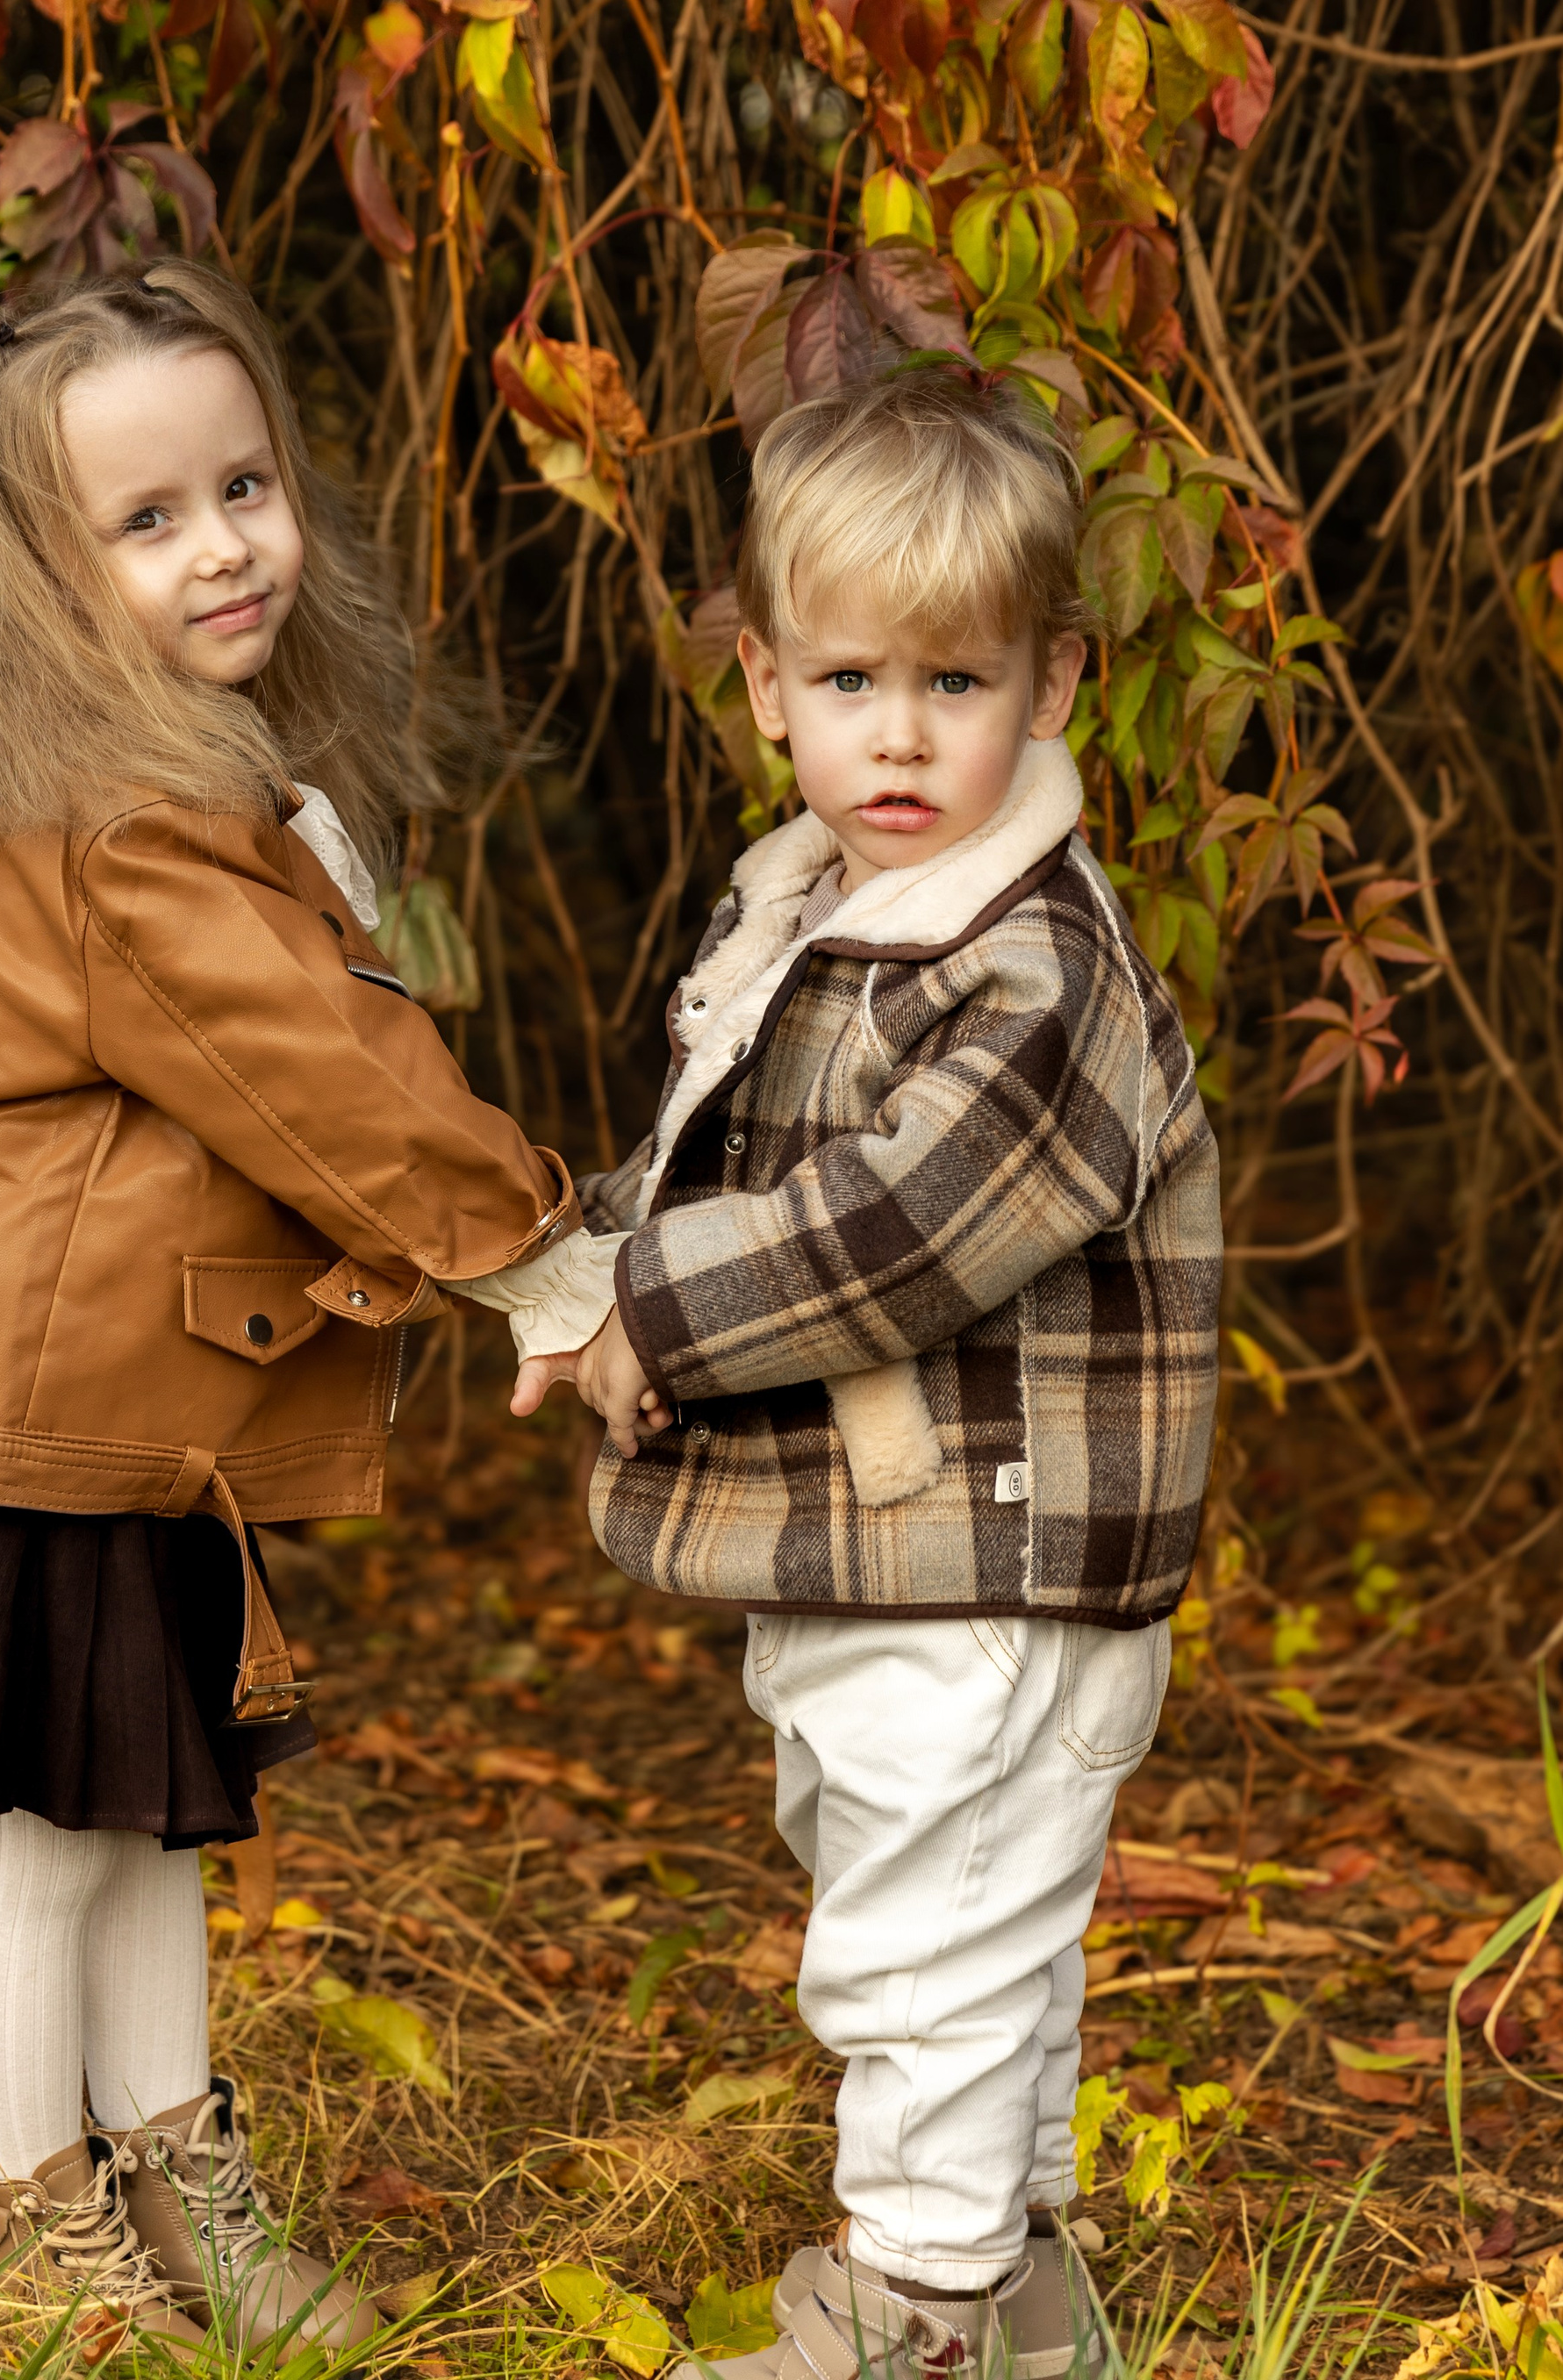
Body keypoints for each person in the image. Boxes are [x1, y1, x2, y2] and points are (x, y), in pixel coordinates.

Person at [0, 264, 580, 2360]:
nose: (221, 547)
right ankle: (31, 2228)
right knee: (40, 1838)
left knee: (151, 1808)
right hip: (21, 1413)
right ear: (39, 575)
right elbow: (325, 1080)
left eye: (244, 485)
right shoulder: (119, 827)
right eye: (147, 519)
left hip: (125, 1401)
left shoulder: (195, 775)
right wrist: (540, 1256)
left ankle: (169, 2153)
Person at [471, 364, 1221, 2377]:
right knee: (954, 1925)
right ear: (763, 689)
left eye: (954, 684)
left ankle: (924, 2312)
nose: (897, 733)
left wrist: (657, 1311)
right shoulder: (812, 901)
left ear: (1050, 682)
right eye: (849, 678)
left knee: (926, 1951)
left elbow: (894, 1225)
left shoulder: (1038, 968)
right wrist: (582, 1280)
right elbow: (716, 1150)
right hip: (890, 1554)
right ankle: (1021, 2280)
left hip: (988, 1566)